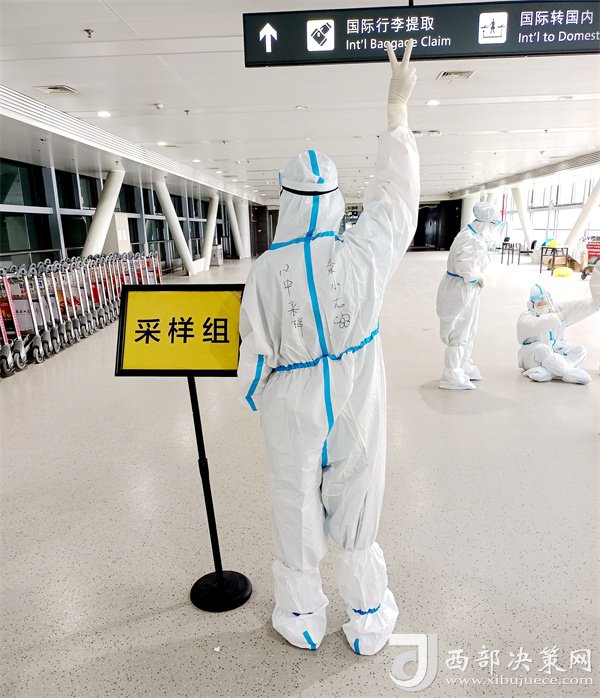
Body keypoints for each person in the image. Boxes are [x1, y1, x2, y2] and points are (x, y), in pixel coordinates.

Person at [237, 41, 419, 656]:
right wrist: (396, 114)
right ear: (337, 198)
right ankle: (367, 619)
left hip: (292, 399)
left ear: (285, 199)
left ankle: (302, 616)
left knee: (293, 498)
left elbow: (255, 354)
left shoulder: (266, 270)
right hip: (358, 389)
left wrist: (259, 393)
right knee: (359, 491)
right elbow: (396, 202)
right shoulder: (362, 253)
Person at [436, 202, 502, 390]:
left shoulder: (473, 234)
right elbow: (464, 265)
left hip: (467, 288)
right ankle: (451, 374)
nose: (495, 227)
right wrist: (476, 276)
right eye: (494, 223)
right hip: (460, 288)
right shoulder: (470, 239)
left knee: (468, 328)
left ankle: (463, 365)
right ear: (487, 222)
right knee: (459, 330)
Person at [517, 277, 599, 384]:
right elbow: (536, 325)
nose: (545, 306)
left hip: (554, 353)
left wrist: (594, 303)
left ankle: (549, 372)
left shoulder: (555, 310)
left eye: (547, 302)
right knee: (541, 349)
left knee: (580, 351)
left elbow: (576, 307)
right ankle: (567, 373)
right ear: (532, 304)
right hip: (533, 356)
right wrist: (557, 317)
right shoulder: (526, 316)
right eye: (540, 304)